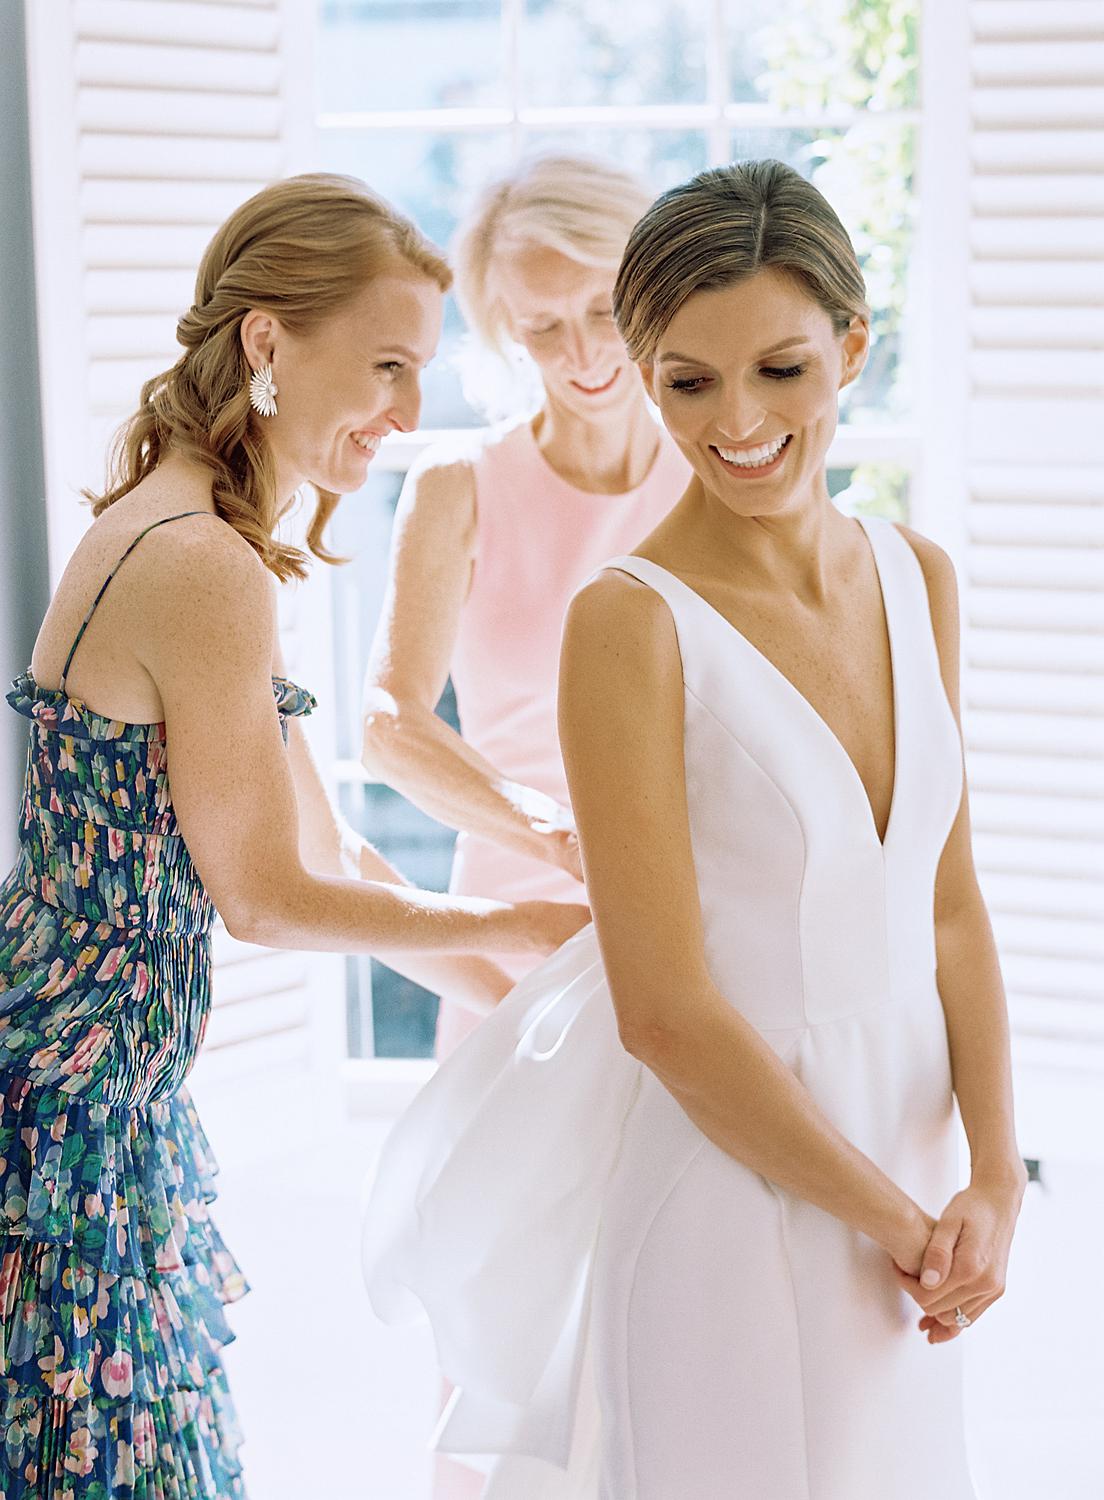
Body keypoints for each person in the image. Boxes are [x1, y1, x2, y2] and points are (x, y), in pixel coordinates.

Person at [364, 160, 1026, 1498]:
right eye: (690, 382)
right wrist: (894, 1222)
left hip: (910, 1169)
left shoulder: (920, 577)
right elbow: (661, 1010)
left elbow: (948, 903)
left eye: (782, 369)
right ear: (649, 372)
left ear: (851, 345)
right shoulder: (629, 623)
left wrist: (995, 1180)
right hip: (739, 1181)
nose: (739, 422)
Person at [0, 173, 586, 1500]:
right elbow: (264, 898)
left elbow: (338, 863)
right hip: (63, 1112)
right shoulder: (198, 562)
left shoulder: (194, 521)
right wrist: (506, 916)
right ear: (267, 342)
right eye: (386, 365)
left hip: (96, 1092)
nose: (405, 414)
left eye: (420, 372)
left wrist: (536, 1009)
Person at [360, 154, 689, 1067]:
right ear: (505, 330)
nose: (581, 355)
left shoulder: (714, 477)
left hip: (695, 921)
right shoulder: (459, 485)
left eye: (600, 311)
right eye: (543, 327)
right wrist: (560, 835)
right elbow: (389, 727)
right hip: (517, 918)